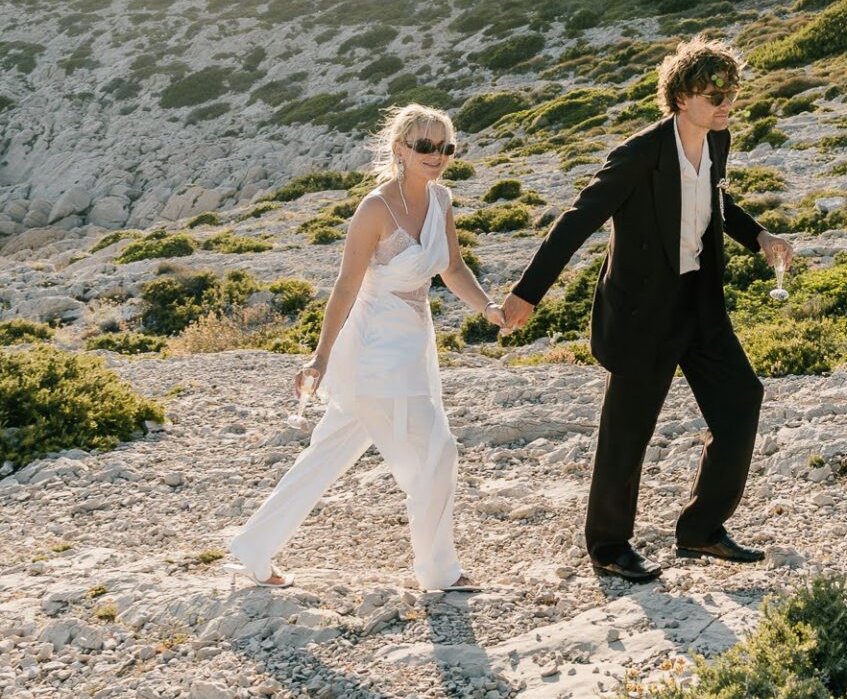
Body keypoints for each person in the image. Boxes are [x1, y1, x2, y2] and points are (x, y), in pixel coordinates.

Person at [499, 36, 793, 583]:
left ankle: (701, 529)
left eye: (732, 92)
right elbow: (577, 220)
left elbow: (714, 200)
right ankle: (609, 545)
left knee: (741, 400)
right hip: (641, 314)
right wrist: (527, 294)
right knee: (628, 430)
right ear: (681, 96)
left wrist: (760, 237)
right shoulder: (638, 155)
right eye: (714, 93)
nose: (727, 102)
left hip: (699, 305)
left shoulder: (717, 141)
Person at [228, 103, 504, 593]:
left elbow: (453, 269)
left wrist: (488, 308)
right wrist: (321, 356)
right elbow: (345, 287)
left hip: (414, 343)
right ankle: (438, 571)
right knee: (438, 451)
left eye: (446, 147)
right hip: (376, 349)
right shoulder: (375, 209)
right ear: (401, 149)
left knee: (326, 453)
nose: (436, 156)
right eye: (425, 146)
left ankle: (253, 547)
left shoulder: (441, 201)